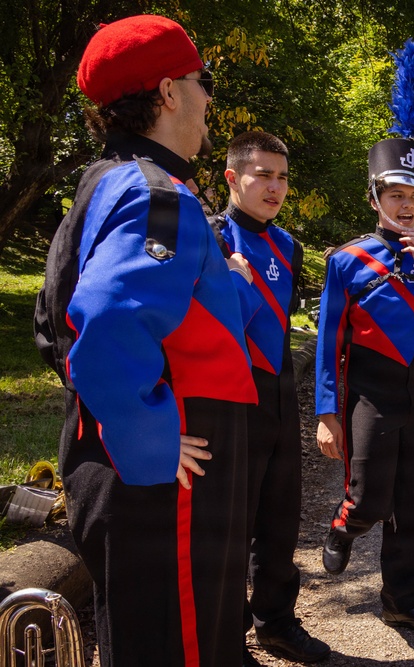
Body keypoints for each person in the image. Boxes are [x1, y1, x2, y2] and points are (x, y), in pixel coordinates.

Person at [33, 15, 259, 666]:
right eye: (202, 81)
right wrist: (151, 439)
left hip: (128, 467)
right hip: (160, 487)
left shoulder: (110, 181)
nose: (209, 97)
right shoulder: (160, 198)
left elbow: (54, 321)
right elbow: (103, 324)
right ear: (167, 93)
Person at [315, 36, 414, 638]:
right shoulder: (347, 260)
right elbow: (329, 344)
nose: (405, 205)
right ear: (376, 198)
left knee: (413, 506)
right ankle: (343, 524)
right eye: (394, 195)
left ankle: (401, 597)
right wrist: (327, 415)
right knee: (372, 500)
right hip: (371, 396)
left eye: (413, 196)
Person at [212, 131, 330, 664]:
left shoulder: (289, 245)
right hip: (229, 398)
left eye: (282, 177)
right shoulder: (211, 236)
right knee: (231, 524)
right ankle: (226, 635)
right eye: (263, 175)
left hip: (279, 393)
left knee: (281, 520)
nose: (275, 187)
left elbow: (279, 325)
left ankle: (277, 622)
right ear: (233, 178)